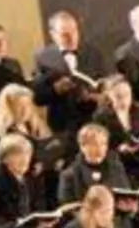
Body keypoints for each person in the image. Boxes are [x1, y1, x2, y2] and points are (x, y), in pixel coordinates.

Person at [32, 10, 110, 141]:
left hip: (92, 120)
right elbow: (37, 97)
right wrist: (55, 90)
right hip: (62, 125)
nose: (71, 38)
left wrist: (97, 96)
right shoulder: (43, 58)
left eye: (74, 31)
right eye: (65, 34)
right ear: (53, 35)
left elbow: (104, 83)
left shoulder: (93, 54)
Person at [94, 74, 139, 184]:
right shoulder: (101, 117)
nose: (124, 100)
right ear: (110, 96)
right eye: (119, 96)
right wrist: (119, 150)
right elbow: (100, 145)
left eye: (127, 95)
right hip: (117, 168)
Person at [57, 123, 133, 208]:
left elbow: (126, 194)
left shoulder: (116, 167)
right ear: (82, 146)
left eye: (103, 144)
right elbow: (67, 208)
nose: (99, 149)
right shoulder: (69, 175)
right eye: (94, 144)